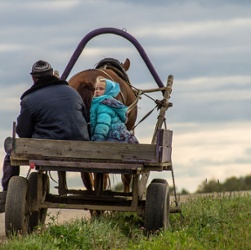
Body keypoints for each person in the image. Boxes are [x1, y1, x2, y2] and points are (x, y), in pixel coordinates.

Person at [0, 60, 89, 212]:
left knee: (11, 147)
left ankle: (9, 193)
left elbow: (23, 133)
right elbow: (86, 119)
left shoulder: (29, 100)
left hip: (46, 150)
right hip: (81, 147)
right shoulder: (73, 93)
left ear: (34, 78)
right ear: (52, 74)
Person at [90, 76, 138, 143]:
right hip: (120, 137)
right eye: (96, 89)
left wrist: (98, 141)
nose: (97, 91)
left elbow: (103, 125)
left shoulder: (104, 105)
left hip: (114, 138)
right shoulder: (102, 103)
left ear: (108, 91)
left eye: (101, 89)